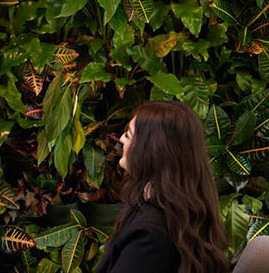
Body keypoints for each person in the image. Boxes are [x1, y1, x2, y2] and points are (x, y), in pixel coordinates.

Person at [97, 101, 229, 273]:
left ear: (151, 150)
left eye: (128, 135)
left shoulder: (150, 237)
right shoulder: (179, 214)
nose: (121, 139)